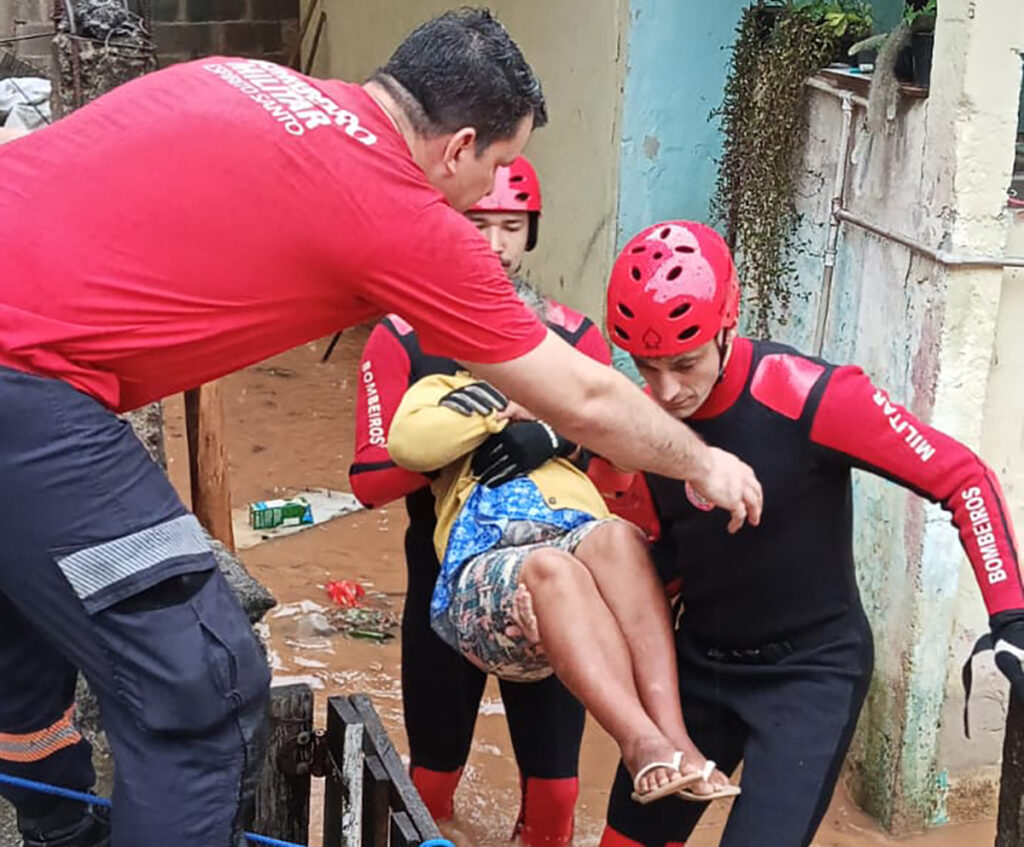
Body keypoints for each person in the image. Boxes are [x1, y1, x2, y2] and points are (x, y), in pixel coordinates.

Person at [0, 7, 765, 845]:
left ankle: (56, 823)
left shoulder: (246, 81)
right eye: (498, 168)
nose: (488, 204)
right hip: (26, 384)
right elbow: (581, 398)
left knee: (25, 632)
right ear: (459, 146)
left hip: (33, 378)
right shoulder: (400, 212)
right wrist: (701, 460)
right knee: (204, 684)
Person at [575, 220, 1023, 847]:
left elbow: (962, 477)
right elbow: (663, 556)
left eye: (685, 363)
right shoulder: (638, 420)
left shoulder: (812, 395)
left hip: (810, 675)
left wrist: (1012, 619)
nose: (668, 390)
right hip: (698, 663)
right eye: (647, 368)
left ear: (727, 325)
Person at [353, 155, 621, 845]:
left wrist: (553, 438)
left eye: (510, 226)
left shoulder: (575, 337)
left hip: (552, 592)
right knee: (430, 786)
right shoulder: (401, 337)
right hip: (442, 590)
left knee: (557, 796)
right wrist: (454, 443)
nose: (494, 243)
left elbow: (620, 461)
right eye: (478, 223)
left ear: (531, 234)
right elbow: (369, 480)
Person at [385, 368, 739, 809]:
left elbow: (626, 449)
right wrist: (504, 410)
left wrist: (550, 426)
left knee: (620, 539)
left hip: (576, 533)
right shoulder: (441, 388)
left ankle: (676, 738)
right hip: (488, 554)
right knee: (553, 568)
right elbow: (410, 444)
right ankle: (639, 741)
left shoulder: (560, 383)